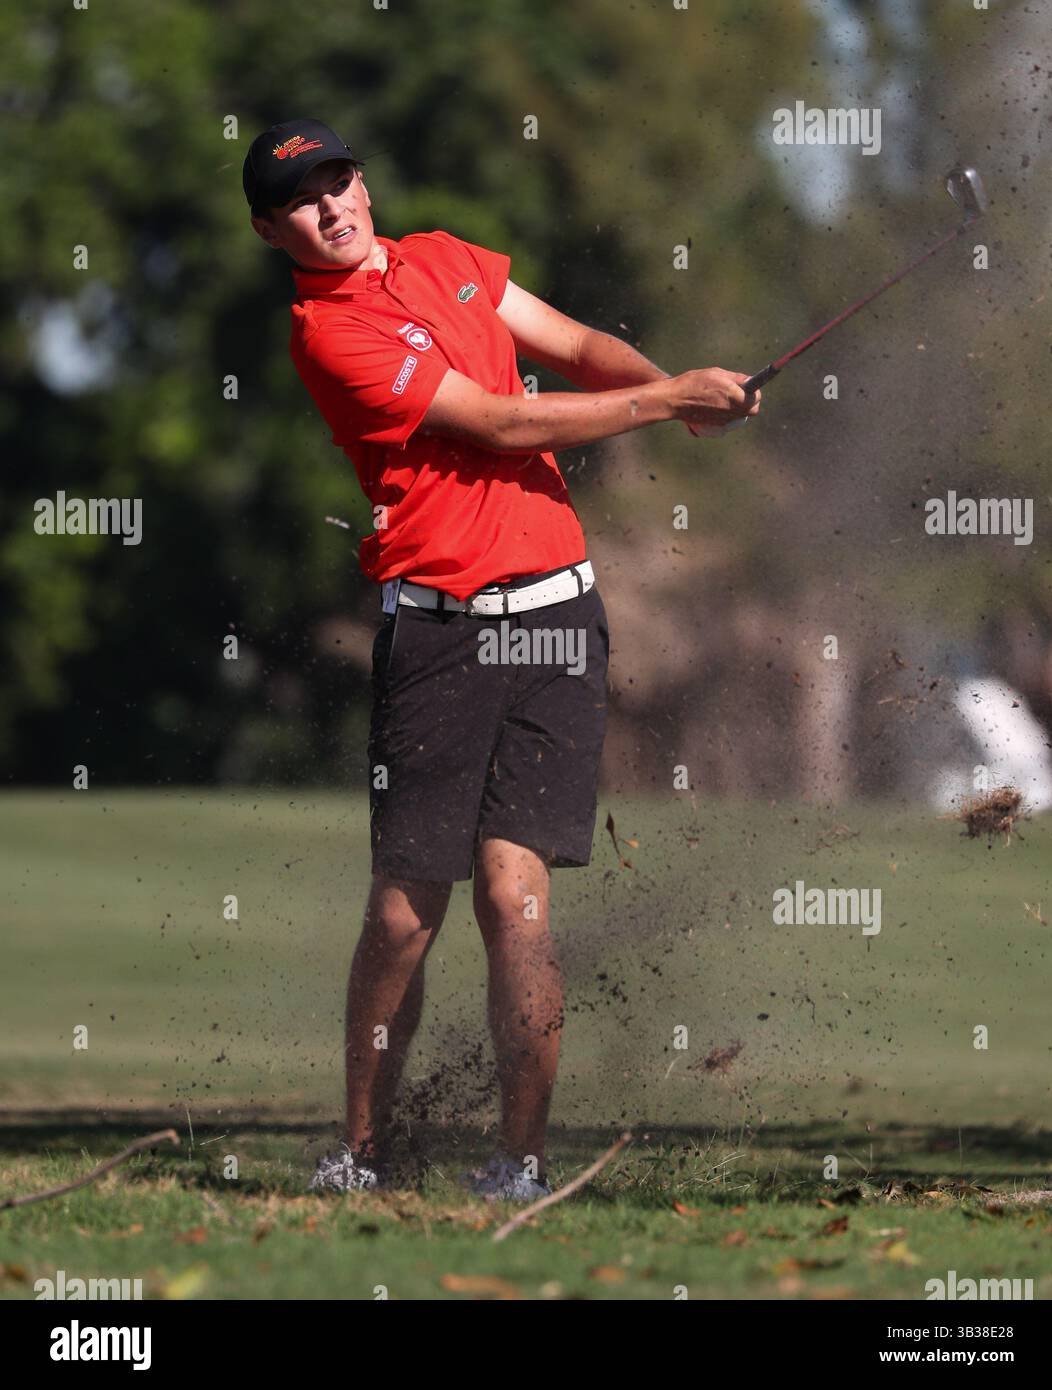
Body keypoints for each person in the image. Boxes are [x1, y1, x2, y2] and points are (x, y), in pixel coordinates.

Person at [243, 118, 760, 1201]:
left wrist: (674, 396)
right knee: (402, 911)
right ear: (269, 229)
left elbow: (571, 347)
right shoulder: (325, 330)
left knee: (513, 899)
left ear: (364, 183)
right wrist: (667, 402)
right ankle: (363, 1149)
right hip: (440, 631)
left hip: (559, 618)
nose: (332, 206)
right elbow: (495, 421)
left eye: (339, 181)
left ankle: (519, 1165)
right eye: (303, 199)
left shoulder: (446, 259)